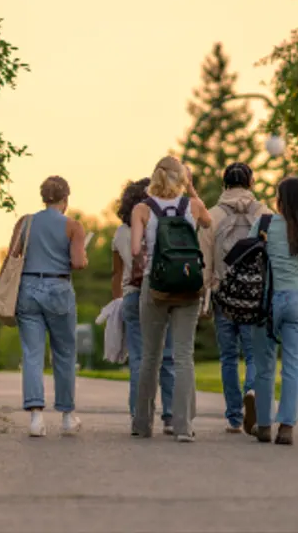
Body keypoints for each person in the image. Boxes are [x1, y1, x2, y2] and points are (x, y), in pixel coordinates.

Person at [130, 157, 212, 442]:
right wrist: (191, 190)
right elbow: (209, 222)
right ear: (182, 178)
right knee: (184, 356)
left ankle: (142, 424)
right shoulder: (192, 206)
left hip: (156, 287)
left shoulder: (142, 209)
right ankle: (183, 427)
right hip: (189, 286)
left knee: (150, 357)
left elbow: (135, 250)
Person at [6, 175, 89, 438]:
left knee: (32, 353)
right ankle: (66, 417)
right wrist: (83, 255)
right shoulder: (73, 227)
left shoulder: (25, 222)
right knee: (64, 353)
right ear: (66, 199)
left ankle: (35, 419)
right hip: (58, 289)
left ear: (44, 198)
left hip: (27, 289)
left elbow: (12, 256)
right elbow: (77, 263)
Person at [200, 162, 272, 435]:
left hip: (223, 295)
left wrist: (207, 291)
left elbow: (204, 259)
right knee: (253, 353)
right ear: (251, 183)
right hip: (254, 295)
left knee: (228, 356)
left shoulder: (212, 215)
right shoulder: (264, 214)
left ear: (224, 184)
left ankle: (233, 417)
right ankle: (252, 389)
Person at [250, 176, 298, 446]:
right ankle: (287, 427)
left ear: (281, 199)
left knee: (264, 366)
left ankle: (264, 425)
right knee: (293, 367)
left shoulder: (264, 224)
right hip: (297, 298)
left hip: (265, 301)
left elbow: (248, 259)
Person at [111, 178, 176, 435]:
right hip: (160, 294)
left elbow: (117, 274)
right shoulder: (159, 225)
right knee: (168, 356)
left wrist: (117, 300)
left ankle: (140, 417)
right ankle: (170, 417)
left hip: (131, 296)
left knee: (138, 359)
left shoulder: (119, 233)